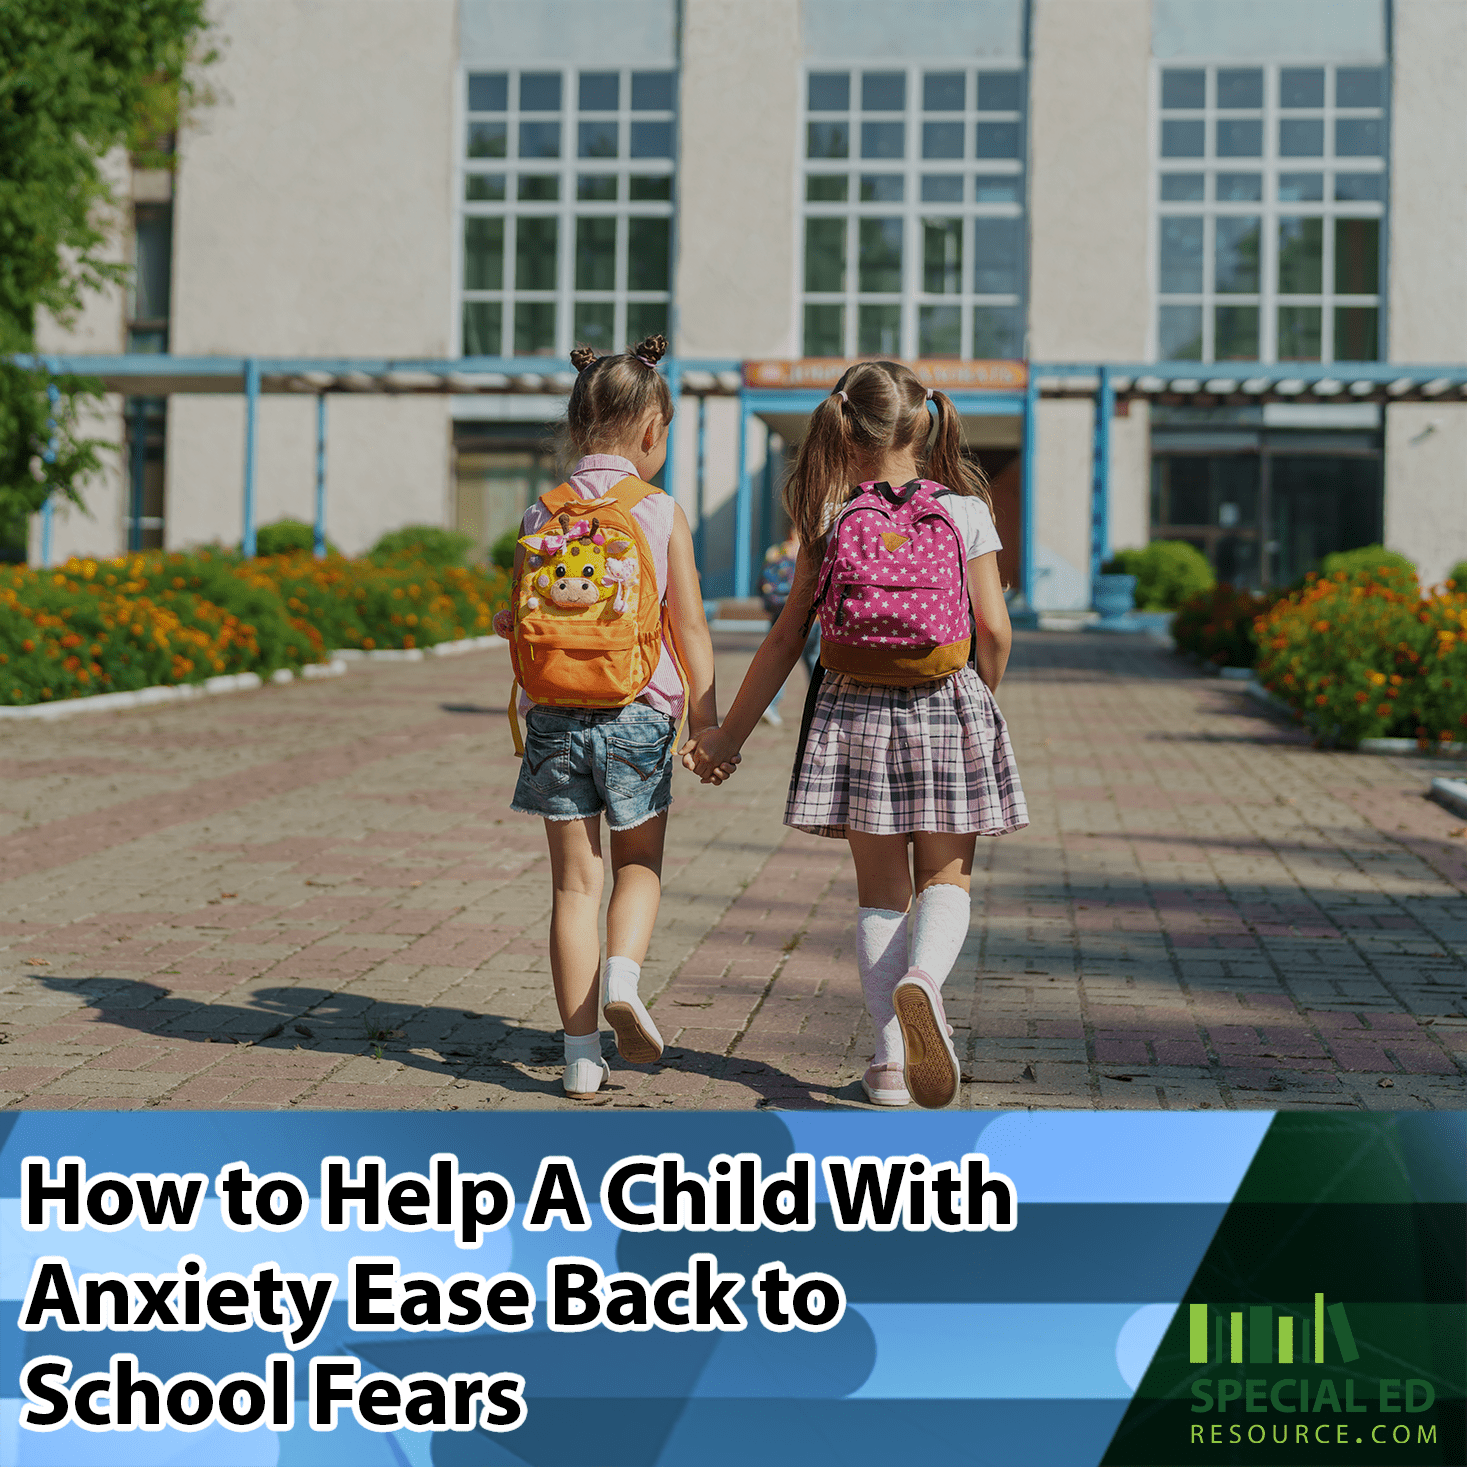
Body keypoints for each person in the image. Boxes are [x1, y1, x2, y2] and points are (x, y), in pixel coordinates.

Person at [683, 360, 1027, 1109]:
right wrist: (978, 696)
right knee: (946, 878)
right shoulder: (966, 510)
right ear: (924, 424)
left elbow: (785, 639)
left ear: (845, 430)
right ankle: (924, 980)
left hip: (854, 713)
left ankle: (890, 1062)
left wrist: (726, 737)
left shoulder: (830, 517)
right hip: (946, 702)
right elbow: (995, 629)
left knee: (880, 893)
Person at [500, 334, 734, 1099]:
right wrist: (705, 723)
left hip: (553, 716)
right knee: (637, 864)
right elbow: (688, 625)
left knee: (573, 886)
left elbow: (518, 619)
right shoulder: (658, 510)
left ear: (575, 426)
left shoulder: (541, 510)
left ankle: (578, 1055)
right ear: (653, 431)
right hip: (637, 713)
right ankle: (624, 981)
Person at [757, 532, 819, 725]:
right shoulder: (816, 550)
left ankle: (769, 704)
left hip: (782, 615)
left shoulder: (775, 552)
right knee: (815, 663)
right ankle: (820, 706)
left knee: (779, 662)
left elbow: (762, 584)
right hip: (813, 616)